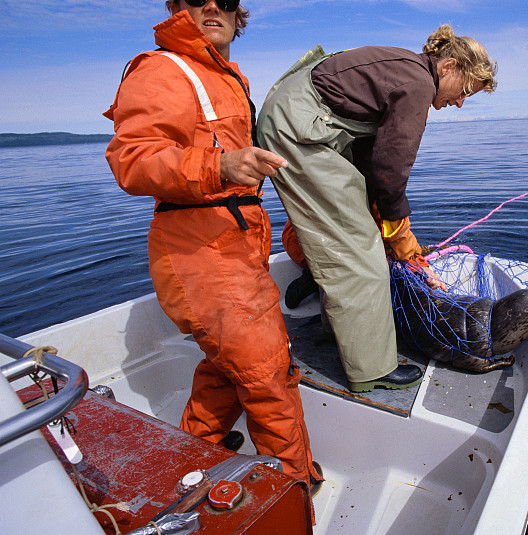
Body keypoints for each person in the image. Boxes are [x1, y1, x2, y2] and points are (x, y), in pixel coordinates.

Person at [103, 0, 322, 491]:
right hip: (201, 248)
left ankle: (189, 459)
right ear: (174, 6)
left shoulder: (226, 76)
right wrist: (218, 166)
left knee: (228, 368)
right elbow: (132, 160)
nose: (211, 6)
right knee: (268, 375)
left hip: (239, 239)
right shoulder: (162, 68)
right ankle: (291, 495)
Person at [256, 25, 497, 393]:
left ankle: (338, 333)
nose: (460, 102)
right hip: (299, 129)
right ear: (448, 67)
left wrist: (385, 218)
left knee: (354, 231)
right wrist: (400, 234)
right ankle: (370, 370)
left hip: (295, 118)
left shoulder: (403, 70)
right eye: (464, 91)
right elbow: (391, 169)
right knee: (361, 254)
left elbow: (371, 158)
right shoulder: (419, 83)